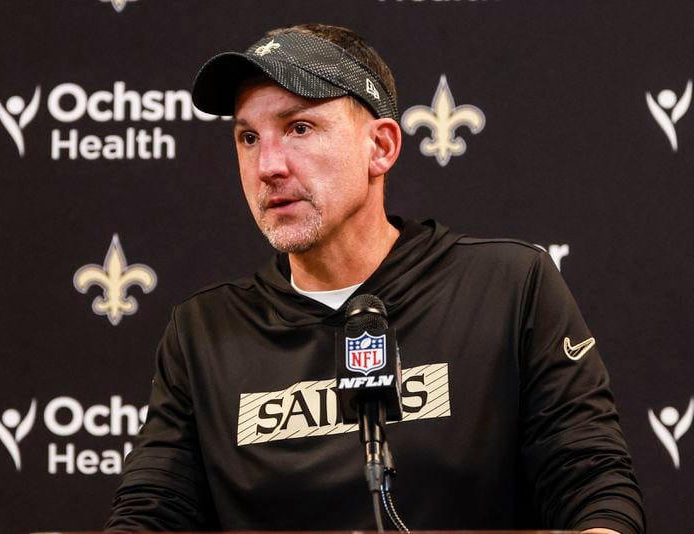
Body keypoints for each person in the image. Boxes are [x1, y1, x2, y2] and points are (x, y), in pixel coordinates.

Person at [105, 24, 645, 534]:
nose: (268, 165)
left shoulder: (509, 287)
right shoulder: (202, 331)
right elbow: (152, 511)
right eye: (248, 138)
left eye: (299, 127)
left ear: (381, 146)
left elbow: (592, 487)